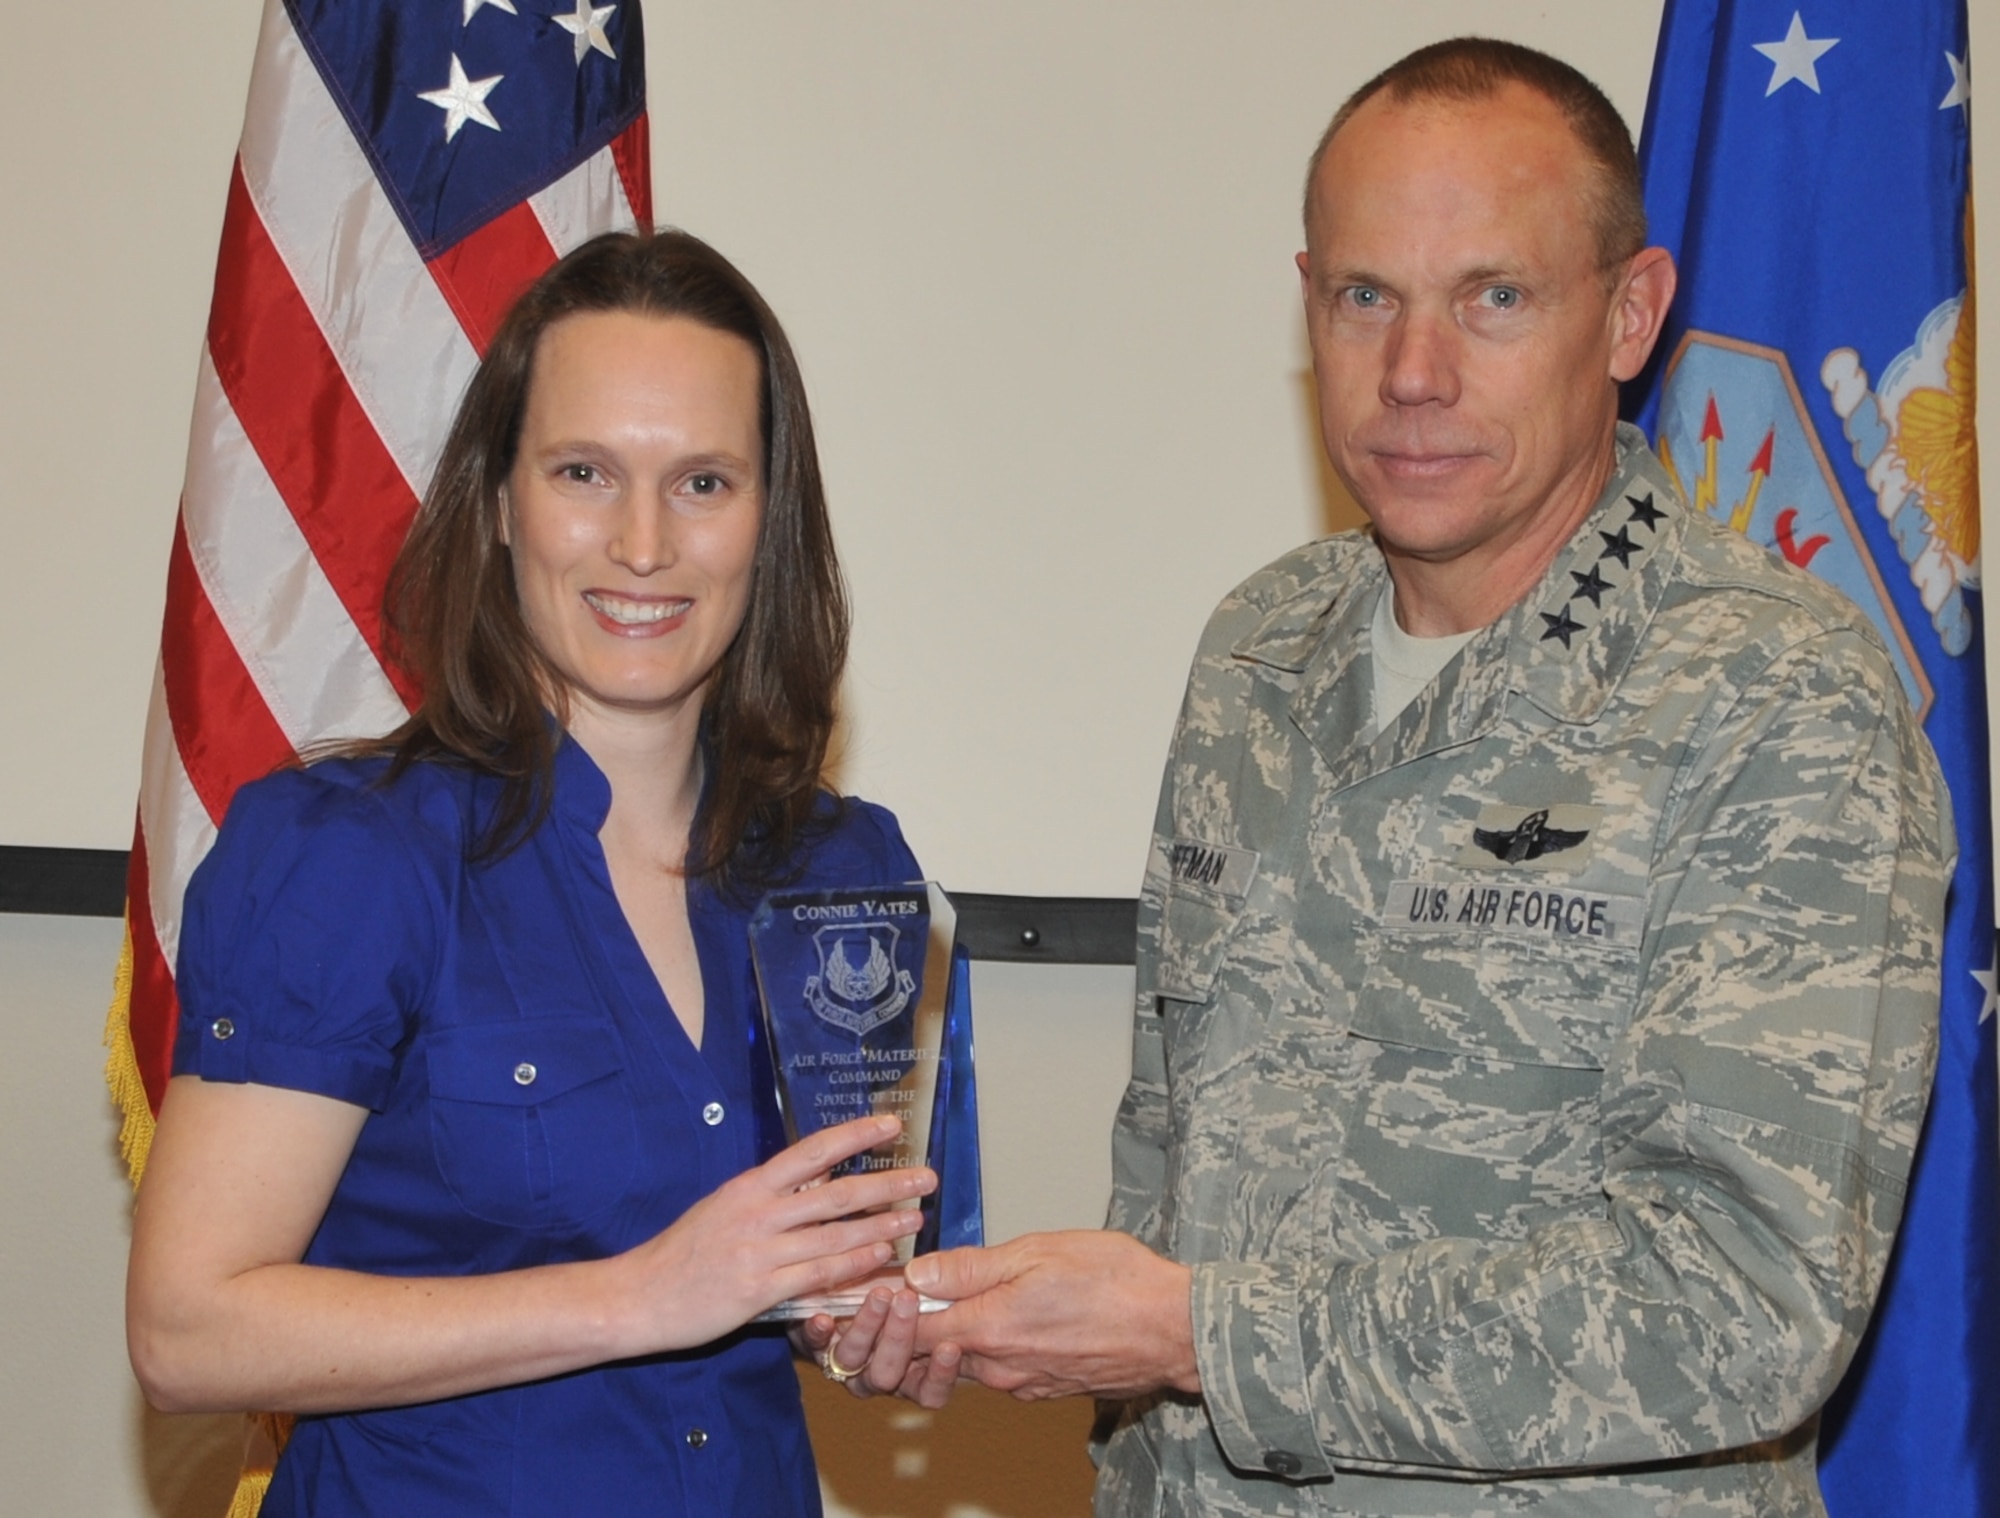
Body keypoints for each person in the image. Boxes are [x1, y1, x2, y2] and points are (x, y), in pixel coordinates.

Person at [900, 38, 1952, 1517]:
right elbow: (1171, 1145)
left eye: (1494, 298)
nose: (1412, 374)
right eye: (1363, 297)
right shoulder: (1257, 648)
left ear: (1631, 312)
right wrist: (1035, 1328)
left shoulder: (1775, 696)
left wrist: (1196, 1333)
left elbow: (1740, 1304)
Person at [125, 229, 950, 1516]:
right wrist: (643, 1296)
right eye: (583, 472)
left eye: (703, 483)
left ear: (766, 519)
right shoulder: (346, 857)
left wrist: (870, 1317)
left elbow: (834, 1268)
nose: (640, 544)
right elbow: (188, 1334)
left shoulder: (846, 871)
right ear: (502, 503)